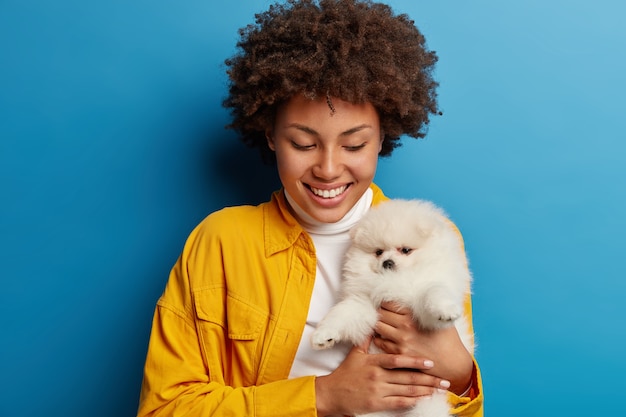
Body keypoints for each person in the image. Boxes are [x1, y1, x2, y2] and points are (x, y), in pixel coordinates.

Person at [136, 0, 484, 416]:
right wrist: (322, 396)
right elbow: (165, 407)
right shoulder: (222, 242)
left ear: (382, 137)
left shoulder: (432, 234)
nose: (328, 169)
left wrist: (461, 374)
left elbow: (454, 404)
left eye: (354, 145)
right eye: (303, 143)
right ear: (269, 135)